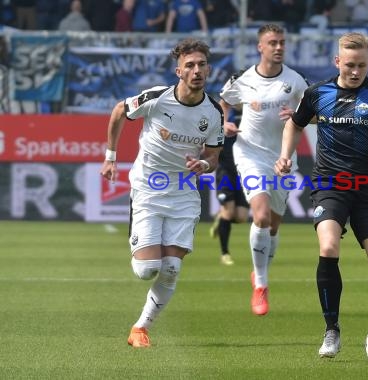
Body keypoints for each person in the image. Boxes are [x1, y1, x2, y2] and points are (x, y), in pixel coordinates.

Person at [274, 32, 368, 358]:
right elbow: (294, 124)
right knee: (329, 246)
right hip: (329, 185)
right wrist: (286, 155)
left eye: (361, 65)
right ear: (337, 62)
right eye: (349, 65)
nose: (355, 71)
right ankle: (332, 330)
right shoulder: (318, 93)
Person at [99, 38, 224, 348]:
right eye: (190, 65)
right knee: (146, 270)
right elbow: (118, 111)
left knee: (171, 268)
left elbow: (213, 157)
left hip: (184, 193)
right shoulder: (156, 98)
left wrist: (204, 166)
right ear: (178, 71)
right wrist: (110, 157)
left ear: (208, 69)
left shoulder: (214, 111)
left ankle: (140, 329)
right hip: (148, 189)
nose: (197, 71)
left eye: (201, 65)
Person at [218, 24, 309, 316]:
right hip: (249, 154)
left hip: (283, 159)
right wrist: (224, 123)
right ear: (260, 47)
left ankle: (260, 272)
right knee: (260, 215)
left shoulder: (295, 81)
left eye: (282, 42)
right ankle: (261, 283)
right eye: (273, 42)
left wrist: (299, 116)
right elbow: (223, 102)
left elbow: (314, 114)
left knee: (273, 226)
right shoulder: (242, 79)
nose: (279, 47)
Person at [210, 108, 250, 266]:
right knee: (228, 211)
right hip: (225, 171)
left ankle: (220, 220)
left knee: (241, 217)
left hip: (244, 171)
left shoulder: (252, 117)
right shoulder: (224, 116)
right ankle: (224, 253)